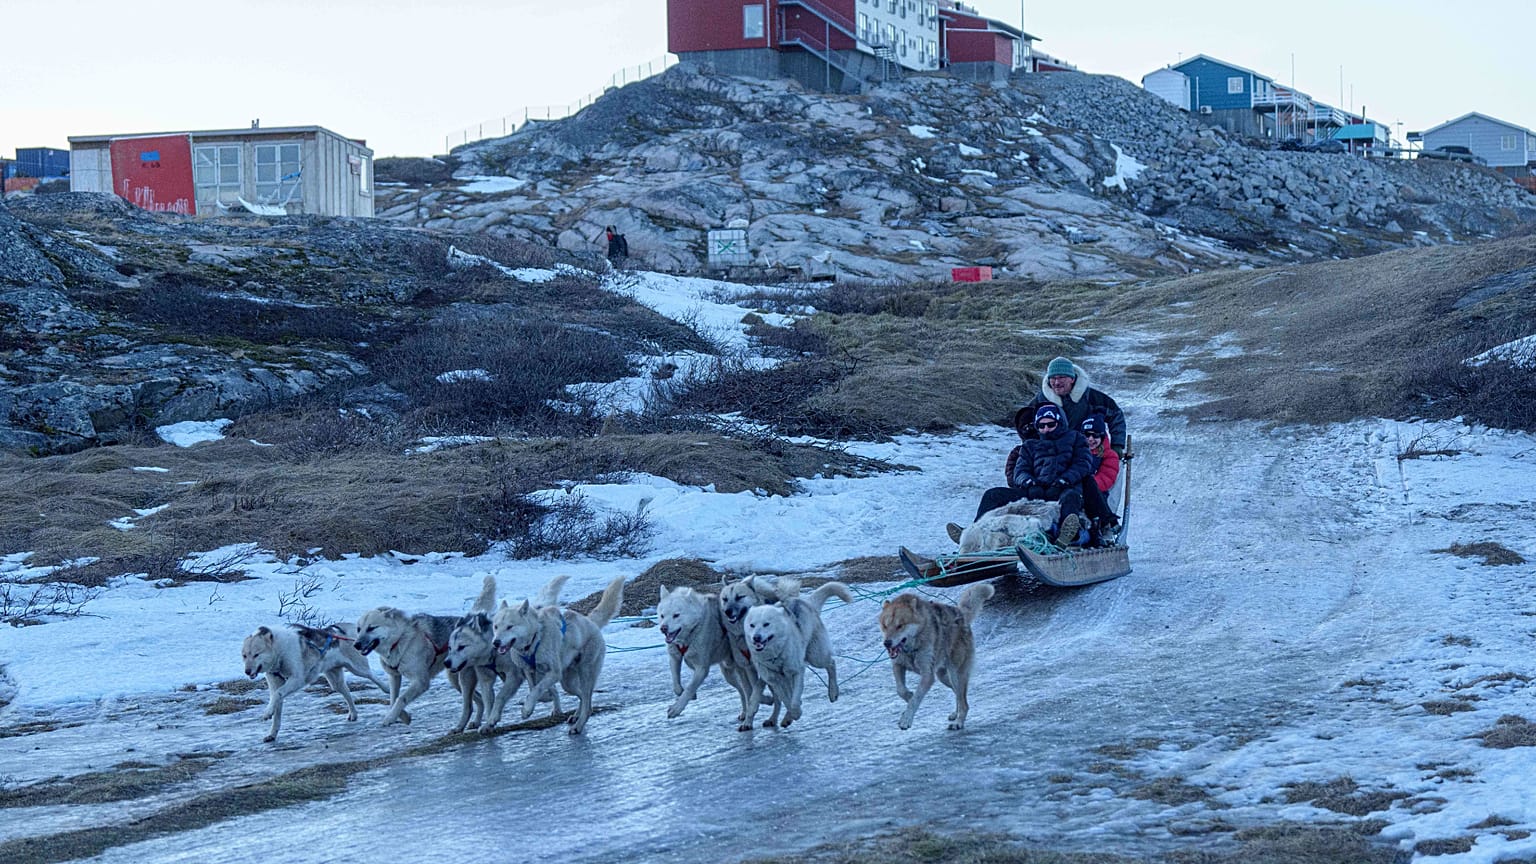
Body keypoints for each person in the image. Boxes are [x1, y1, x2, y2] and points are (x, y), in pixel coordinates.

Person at [968, 404, 1094, 547]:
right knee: (992, 494)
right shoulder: (1030, 445)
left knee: (1071, 497)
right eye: (1041, 426)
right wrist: (1028, 482)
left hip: (1063, 489)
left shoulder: (1076, 439)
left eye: (1050, 425)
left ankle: (1066, 537)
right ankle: (974, 533)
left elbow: (1083, 463)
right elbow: (1020, 470)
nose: (1045, 429)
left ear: (1060, 423)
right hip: (1035, 491)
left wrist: (1064, 480)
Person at [1026, 357, 1126, 455]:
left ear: (1072, 379)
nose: (1056, 382)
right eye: (1053, 378)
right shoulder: (1041, 400)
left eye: (1061, 377)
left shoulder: (1092, 397)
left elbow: (1116, 415)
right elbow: (1025, 423)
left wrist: (1117, 444)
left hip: (1087, 451)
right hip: (1051, 453)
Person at [1079, 414, 1122, 545]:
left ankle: (1099, 530)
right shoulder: (1077, 452)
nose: (1090, 439)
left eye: (1095, 435)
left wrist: (1085, 484)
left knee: (1089, 483)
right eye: (1087, 435)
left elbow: (1106, 479)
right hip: (1077, 492)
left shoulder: (1108, 455)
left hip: (1097, 495)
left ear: (1102, 436)